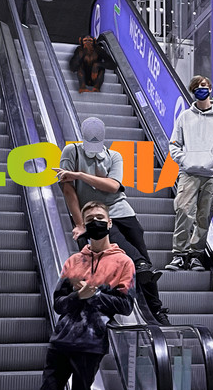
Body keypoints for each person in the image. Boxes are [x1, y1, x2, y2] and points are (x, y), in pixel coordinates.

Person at [7, 201, 135, 390]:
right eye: (90, 219)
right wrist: (78, 297)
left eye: (100, 218)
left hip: (91, 344)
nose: (95, 222)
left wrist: (94, 294)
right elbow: (58, 304)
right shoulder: (74, 261)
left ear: (109, 223)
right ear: (84, 225)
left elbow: (126, 305)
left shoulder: (123, 263)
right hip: (62, 340)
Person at [55, 117, 169, 325]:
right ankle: (107, 310)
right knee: (112, 249)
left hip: (121, 209)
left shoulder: (114, 155)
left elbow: (113, 186)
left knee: (145, 264)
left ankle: (156, 309)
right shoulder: (71, 152)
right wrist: (80, 224)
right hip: (93, 214)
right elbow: (68, 190)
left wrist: (79, 175)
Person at [166, 75, 213, 271]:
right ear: (193, 91)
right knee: (183, 210)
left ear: (210, 89)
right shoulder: (184, 117)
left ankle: (196, 255)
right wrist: (185, 160)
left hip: (212, 174)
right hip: (188, 172)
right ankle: (179, 255)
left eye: (204, 85)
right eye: (197, 87)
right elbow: (174, 144)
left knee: (204, 216)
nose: (201, 89)